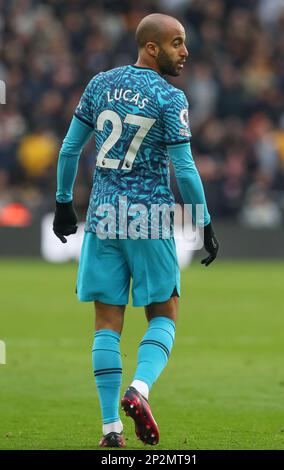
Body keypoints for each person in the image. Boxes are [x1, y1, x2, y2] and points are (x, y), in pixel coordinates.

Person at [53, 13, 219, 448]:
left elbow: (71, 148)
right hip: (149, 218)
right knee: (164, 314)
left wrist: (62, 202)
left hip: (104, 216)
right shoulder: (169, 97)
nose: (185, 52)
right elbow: (183, 168)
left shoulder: (100, 84)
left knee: (106, 323)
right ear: (151, 47)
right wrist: (203, 221)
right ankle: (139, 390)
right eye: (177, 43)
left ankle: (111, 430)